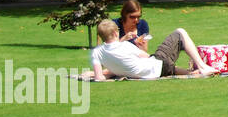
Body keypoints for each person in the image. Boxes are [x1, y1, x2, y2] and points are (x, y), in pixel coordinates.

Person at [90, 18, 218, 80]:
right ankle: (202, 67)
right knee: (180, 32)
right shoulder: (125, 46)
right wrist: (141, 45)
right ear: (115, 32)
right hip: (157, 65)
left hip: (156, 71)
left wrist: (110, 72)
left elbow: (99, 77)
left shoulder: (97, 52)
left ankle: (192, 73)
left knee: (163, 64)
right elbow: (146, 57)